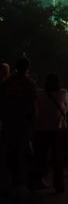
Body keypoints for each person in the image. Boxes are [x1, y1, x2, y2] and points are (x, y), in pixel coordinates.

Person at [0, 58, 37, 195]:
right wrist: (34, 122)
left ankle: (9, 183)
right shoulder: (29, 83)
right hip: (23, 125)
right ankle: (23, 184)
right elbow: (33, 106)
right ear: (27, 68)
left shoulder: (6, 83)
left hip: (8, 123)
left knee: (10, 153)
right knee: (24, 154)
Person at [30, 74, 68, 193]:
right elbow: (65, 109)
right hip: (57, 129)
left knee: (40, 157)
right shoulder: (63, 93)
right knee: (57, 158)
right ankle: (59, 185)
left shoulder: (38, 93)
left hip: (40, 129)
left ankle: (37, 182)